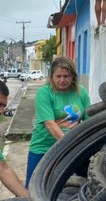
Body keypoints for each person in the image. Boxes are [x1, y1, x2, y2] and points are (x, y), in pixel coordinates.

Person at [26, 57, 90, 187]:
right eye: (58, 76)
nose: (62, 80)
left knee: (69, 189)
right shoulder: (44, 93)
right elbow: (50, 123)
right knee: (32, 190)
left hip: (72, 149)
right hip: (43, 148)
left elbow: (89, 120)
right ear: (51, 76)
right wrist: (70, 143)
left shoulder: (81, 92)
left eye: (66, 76)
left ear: (73, 76)